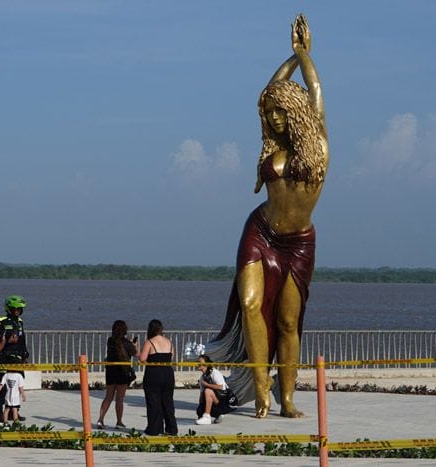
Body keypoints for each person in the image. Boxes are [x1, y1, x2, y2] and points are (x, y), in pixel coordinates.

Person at [205, 14, 329, 419]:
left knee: (289, 322)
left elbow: (315, 92)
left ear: (296, 112)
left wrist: (301, 54)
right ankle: (260, 391)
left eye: (281, 111)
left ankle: (287, 397)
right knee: (251, 303)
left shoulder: (319, 148)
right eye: (270, 112)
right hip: (259, 232)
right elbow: (266, 92)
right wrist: (284, 64)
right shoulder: (269, 148)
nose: (274, 118)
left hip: (297, 244)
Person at [96, 320, 138, 430]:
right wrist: (134, 345)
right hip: (123, 372)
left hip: (110, 371)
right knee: (119, 399)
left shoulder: (110, 341)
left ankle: (100, 420)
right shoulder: (127, 344)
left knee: (108, 397)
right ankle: (119, 422)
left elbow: (118, 346)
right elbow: (137, 354)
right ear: (125, 330)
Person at [138, 319, 177, 436]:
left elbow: (142, 358)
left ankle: (155, 428)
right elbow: (172, 357)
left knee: (153, 402)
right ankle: (171, 428)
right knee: (168, 402)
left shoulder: (149, 342)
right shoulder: (169, 342)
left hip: (153, 374)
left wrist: (136, 349)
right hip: (168, 374)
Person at [0, 294, 29, 421]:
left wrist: (25, 354)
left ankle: (14, 411)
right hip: (5, 358)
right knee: (3, 386)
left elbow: (23, 339)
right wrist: (7, 340)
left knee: (17, 386)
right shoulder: (1, 320)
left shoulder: (20, 322)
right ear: (9, 309)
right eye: (15, 309)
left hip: (18, 359)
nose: (17, 311)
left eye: (19, 309)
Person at [195, 355, 236, 425]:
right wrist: (200, 410)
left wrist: (207, 385)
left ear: (206, 364)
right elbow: (201, 395)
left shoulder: (214, 373)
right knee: (203, 402)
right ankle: (218, 414)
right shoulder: (202, 377)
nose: (198, 364)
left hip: (224, 401)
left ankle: (207, 417)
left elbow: (221, 387)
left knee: (207, 391)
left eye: (200, 362)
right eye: (197, 362)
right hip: (216, 400)